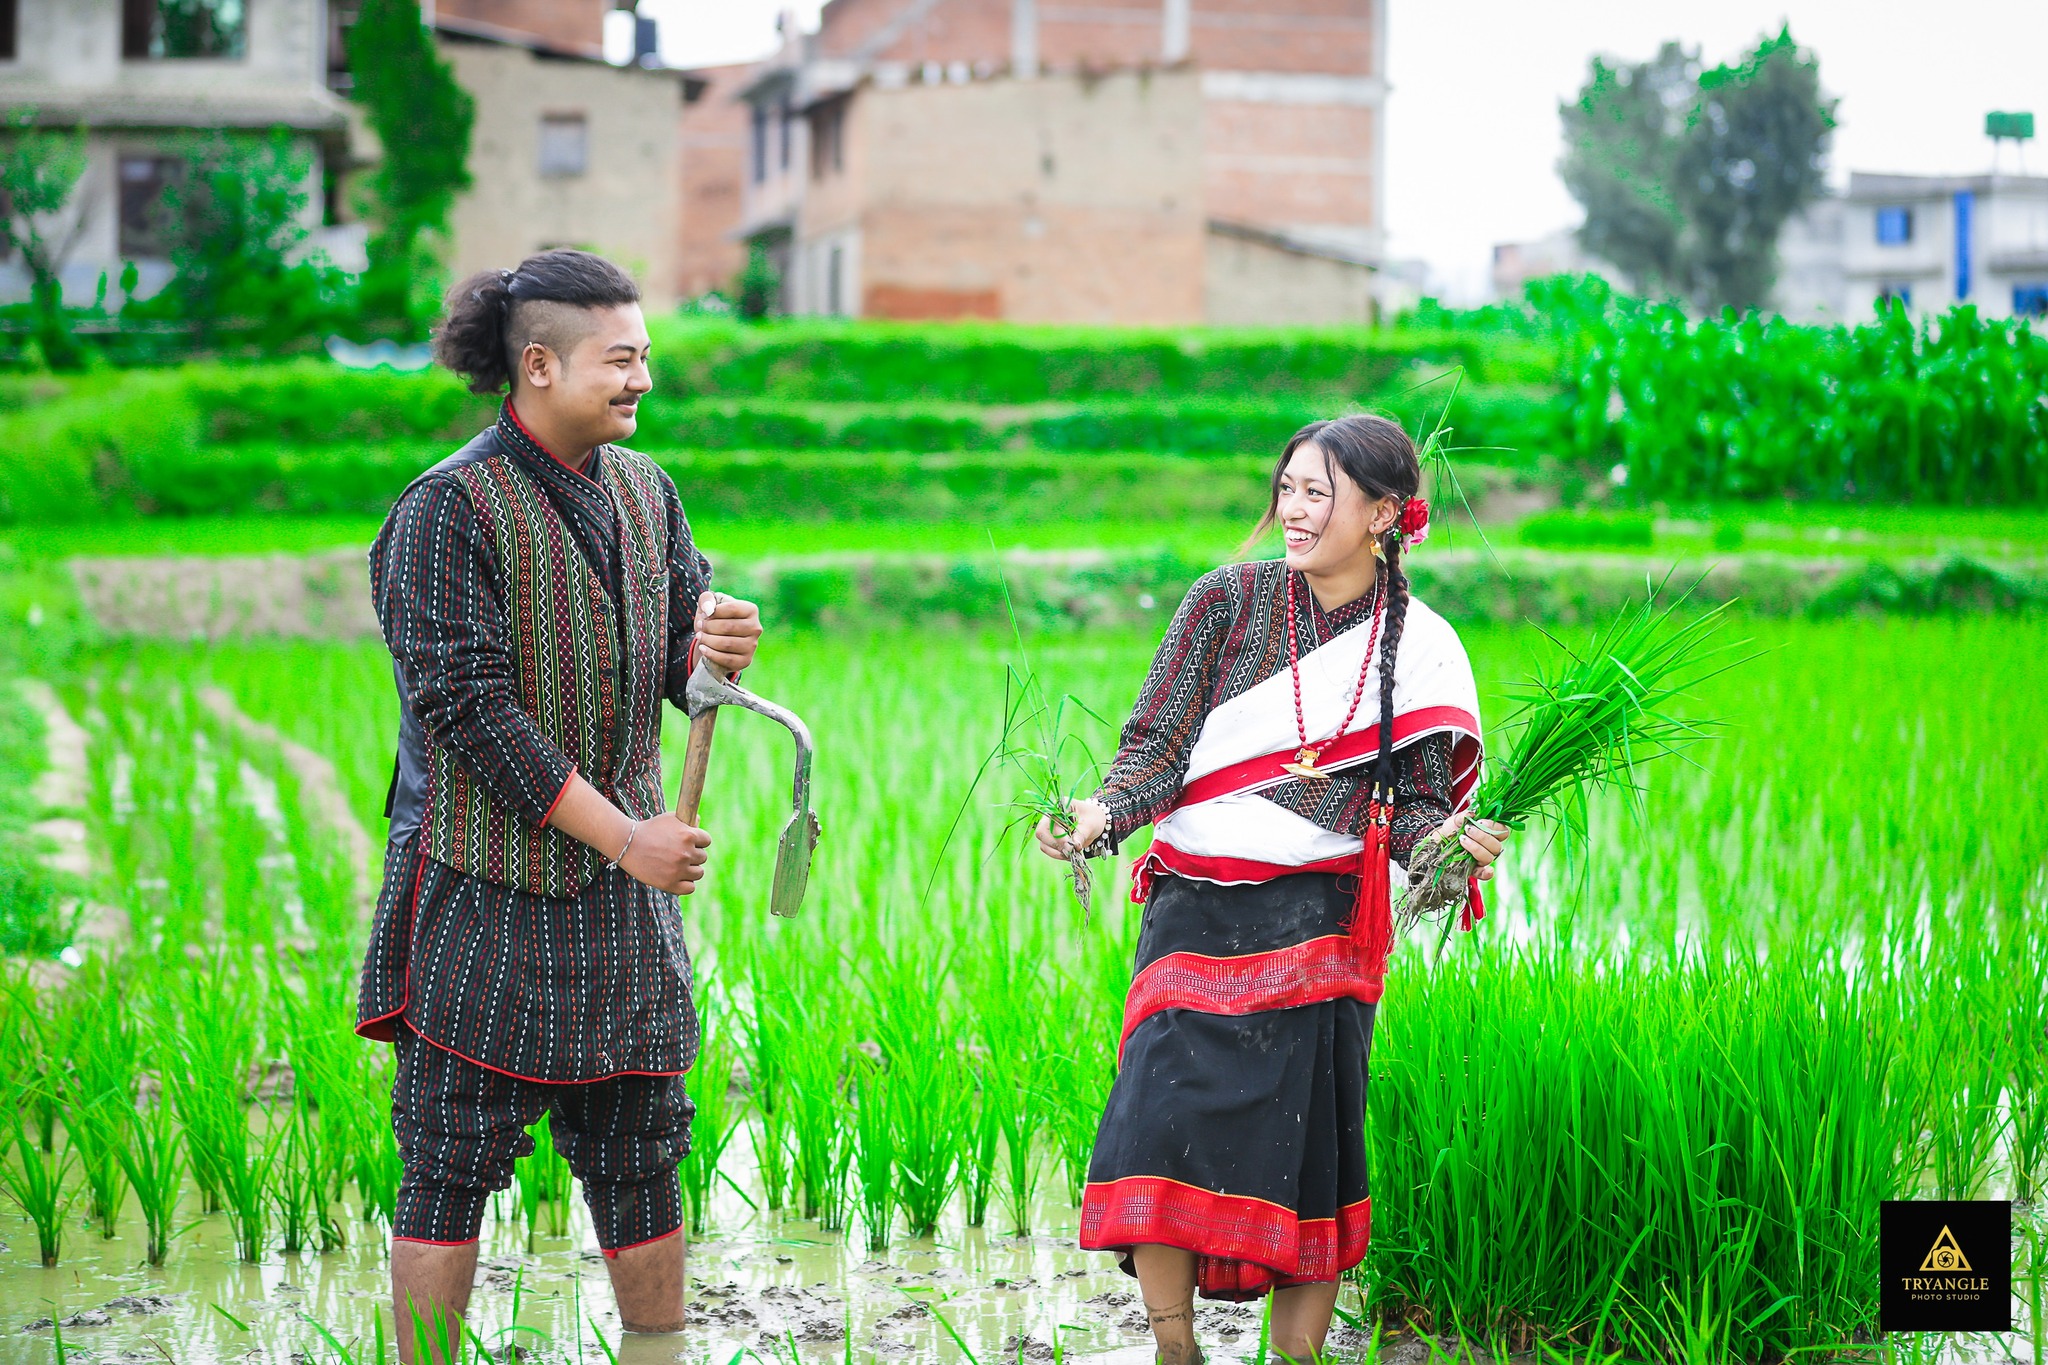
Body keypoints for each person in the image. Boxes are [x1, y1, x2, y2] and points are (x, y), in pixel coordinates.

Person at [354, 249, 762, 1362]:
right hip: (481, 880)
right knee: (448, 1155)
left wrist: (714, 651)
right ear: (538, 365)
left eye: (645, 356)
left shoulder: (647, 492)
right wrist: (628, 838)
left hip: (623, 892)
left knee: (643, 1145)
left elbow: (677, 671)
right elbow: (470, 713)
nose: (643, 380)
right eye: (619, 360)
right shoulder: (445, 511)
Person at [1036, 413, 1510, 1365]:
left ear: (1384, 514)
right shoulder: (1224, 603)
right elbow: (1158, 747)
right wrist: (1099, 815)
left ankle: (1295, 1356)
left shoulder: (1419, 647)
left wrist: (1454, 845)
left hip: (1324, 919)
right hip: (1195, 903)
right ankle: (1175, 1350)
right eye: (1286, 488)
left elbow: (1418, 810)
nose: (1292, 509)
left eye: (1317, 492)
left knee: (1308, 1149)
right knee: (1155, 1121)